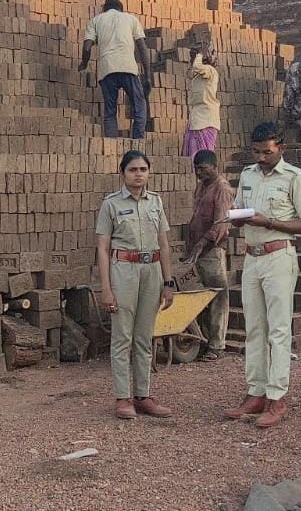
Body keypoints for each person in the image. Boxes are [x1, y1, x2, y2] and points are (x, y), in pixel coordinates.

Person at [222, 122, 301, 427]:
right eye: (256, 151)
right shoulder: (248, 175)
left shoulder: (294, 177)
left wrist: (270, 223)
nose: (261, 157)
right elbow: (240, 207)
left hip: (279, 255)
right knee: (255, 328)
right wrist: (236, 218)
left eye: (267, 152)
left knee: (278, 330)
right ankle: (256, 393)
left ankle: (277, 397)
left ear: (281, 148)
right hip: (252, 257)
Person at [95, 150, 177, 420]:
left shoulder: (156, 202)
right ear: (122, 173)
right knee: (122, 337)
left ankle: (143, 396)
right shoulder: (111, 204)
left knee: (144, 337)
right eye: (132, 169)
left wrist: (168, 281)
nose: (138, 174)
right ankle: (122, 398)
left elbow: (164, 244)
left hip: (151, 270)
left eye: (143, 169)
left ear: (149, 173)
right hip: (124, 271)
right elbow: (103, 248)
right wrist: (106, 287)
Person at [180, 149, 235, 361]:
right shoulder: (202, 186)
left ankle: (217, 345)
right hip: (199, 252)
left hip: (212, 251)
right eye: (196, 169)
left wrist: (201, 245)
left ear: (214, 166)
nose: (198, 173)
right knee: (201, 297)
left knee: (218, 297)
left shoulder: (222, 188)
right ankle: (203, 341)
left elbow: (221, 224)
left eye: (202, 169)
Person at [79, 0, 151, 139]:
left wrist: (84, 63)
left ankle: (112, 147)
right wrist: (148, 75)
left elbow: (87, 47)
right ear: (120, 8)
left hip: (107, 69)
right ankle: (137, 143)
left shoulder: (96, 20)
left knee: (110, 112)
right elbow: (142, 48)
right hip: (128, 67)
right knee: (139, 106)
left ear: (104, 8)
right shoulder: (131, 19)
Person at [182, 44, 221, 157]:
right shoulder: (200, 74)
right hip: (198, 118)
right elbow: (190, 73)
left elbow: (197, 67)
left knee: (203, 155)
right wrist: (193, 58)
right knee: (194, 154)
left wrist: (200, 54)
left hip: (206, 119)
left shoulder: (211, 70)